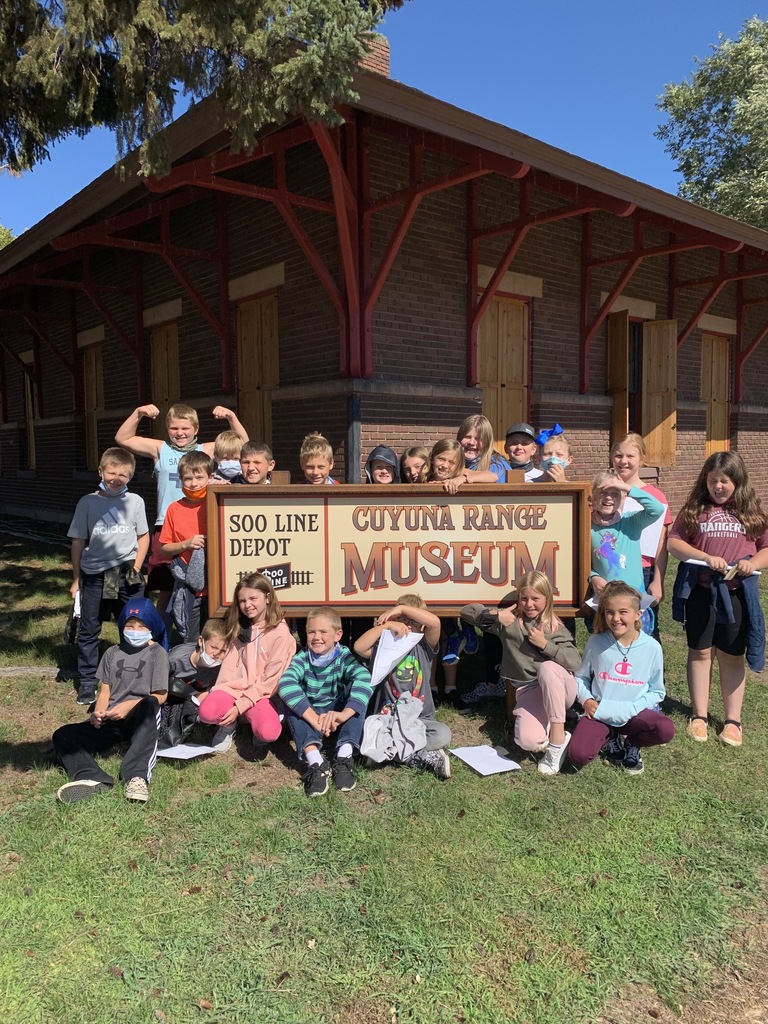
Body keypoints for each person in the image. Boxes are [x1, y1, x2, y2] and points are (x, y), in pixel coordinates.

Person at [668, 451, 768, 747]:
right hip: (701, 592)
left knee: (732, 655)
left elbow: (765, 548)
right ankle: (699, 715)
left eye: (725, 481)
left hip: (736, 594)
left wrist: (754, 563)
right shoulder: (695, 509)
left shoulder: (751, 512)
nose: (719, 487)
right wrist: (704, 556)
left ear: (737, 481)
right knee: (700, 652)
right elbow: (674, 543)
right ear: (705, 481)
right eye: (713, 481)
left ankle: (732, 721)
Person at [115, 402, 247, 607]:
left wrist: (231, 417)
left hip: (199, 522)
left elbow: (243, 445)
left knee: (203, 580)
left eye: (185, 428)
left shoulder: (206, 450)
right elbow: (123, 438)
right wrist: (138, 412)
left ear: (196, 429)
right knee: (165, 586)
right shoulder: (161, 449)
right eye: (174, 428)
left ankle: (199, 628)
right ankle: (163, 633)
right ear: (167, 429)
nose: (179, 433)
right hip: (166, 523)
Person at [461, 570, 581, 774]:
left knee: (548, 667)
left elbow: (575, 662)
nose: (529, 604)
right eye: (524, 598)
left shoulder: (554, 625)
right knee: (527, 742)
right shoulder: (510, 623)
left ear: (547, 599)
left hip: (561, 689)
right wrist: (496, 615)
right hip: (529, 690)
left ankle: (557, 741)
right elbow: (466, 612)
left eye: (536, 598)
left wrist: (546, 645)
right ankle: (551, 726)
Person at [53, 598, 169, 803]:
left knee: (149, 704)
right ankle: (91, 778)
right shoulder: (112, 653)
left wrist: (129, 706)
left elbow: (161, 695)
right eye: (130, 625)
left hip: (141, 716)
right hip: (112, 717)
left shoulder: (157, 653)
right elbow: (105, 691)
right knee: (63, 734)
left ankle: (136, 776)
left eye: (142, 626)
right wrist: (98, 712)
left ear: (151, 626)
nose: (135, 630)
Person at [67, 447, 149, 706]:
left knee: (133, 625)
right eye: (111, 473)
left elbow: (143, 536)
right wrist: (76, 578)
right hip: (94, 574)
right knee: (90, 628)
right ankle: (88, 681)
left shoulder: (135, 501)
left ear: (130, 477)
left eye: (122, 475)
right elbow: (78, 541)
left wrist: (136, 566)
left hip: (126, 573)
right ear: (101, 471)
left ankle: (132, 676)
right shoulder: (87, 503)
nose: (116, 479)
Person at [569, 581, 674, 774]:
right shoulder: (596, 642)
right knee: (578, 755)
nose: (616, 618)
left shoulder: (652, 647)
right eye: (610, 612)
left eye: (623, 612)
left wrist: (632, 708)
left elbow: (657, 691)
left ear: (638, 614)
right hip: (599, 711)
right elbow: (581, 677)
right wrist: (587, 700)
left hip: (633, 713)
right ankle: (610, 738)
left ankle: (632, 743)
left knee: (665, 729)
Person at [278, 607, 374, 797]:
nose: (316, 637)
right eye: (311, 632)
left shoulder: (343, 656)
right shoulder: (302, 658)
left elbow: (364, 677)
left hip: (336, 715)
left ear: (338, 635)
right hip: (312, 716)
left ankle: (344, 756)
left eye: (323, 632)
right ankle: (316, 762)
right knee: (292, 703)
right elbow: (286, 683)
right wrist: (314, 719)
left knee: (358, 691)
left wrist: (343, 715)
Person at [354, 594, 452, 779]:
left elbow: (435, 623)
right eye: (401, 620)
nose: (406, 626)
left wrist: (401, 609)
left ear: (421, 627)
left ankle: (387, 753)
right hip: (388, 718)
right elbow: (359, 647)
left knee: (442, 734)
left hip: (419, 719)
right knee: (362, 732)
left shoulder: (424, 646)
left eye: (413, 621)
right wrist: (386, 626)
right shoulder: (385, 646)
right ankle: (420, 756)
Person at [197, 572, 296, 751]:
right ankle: (229, 724)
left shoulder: (280, 633)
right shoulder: (238, 626)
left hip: (262, 695)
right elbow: (228, 669)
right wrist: (218, 691)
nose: (247, 605)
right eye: (242, 600)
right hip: (234, 689)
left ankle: (255, 725)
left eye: (253, 598)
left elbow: (270, 682)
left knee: (269, 732)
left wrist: (240, 706)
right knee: (206, 712)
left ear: (267, 597)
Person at [611, 432, 671, 641]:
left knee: (645, 629)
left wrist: (658, 579)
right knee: (611, 628)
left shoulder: (655, 497)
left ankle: (651, 673)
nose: (623, 461)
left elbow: (661, 543)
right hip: (612, 569)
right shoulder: (604, 492)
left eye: (630, 456)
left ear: (642, 459)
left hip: (643, 572)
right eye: (618, 455)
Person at [159, 451, 215, 641]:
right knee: (191, 639)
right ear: (180, 479)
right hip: (190, 586)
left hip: (217, 585)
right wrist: (186, 544)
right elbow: (164, 547)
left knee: (217, 637)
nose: (194, 483)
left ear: (211, 477)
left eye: (200, 477)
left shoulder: (218, 502)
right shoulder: (174, 509)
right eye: (188, 478)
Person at [589, 470, 664, 611]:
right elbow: (581, 561)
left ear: (623, 498)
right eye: (603, 492)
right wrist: (593, 577)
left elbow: (657, 509)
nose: (609, 498)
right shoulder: (587, 525)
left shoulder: (631, 521)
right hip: (605, 598)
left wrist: (628, 488)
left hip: (634, 595)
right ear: (593, 497)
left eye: (615, 494)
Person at [163, 618, 231, 751]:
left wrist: (207, 694)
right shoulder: (175, 659)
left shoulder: (222, 666)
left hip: (199, 699)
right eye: (213, 647)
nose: (217, 654)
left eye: (223, 651)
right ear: (201, 641)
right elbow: (157, 683)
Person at [456, 414, 510, 483]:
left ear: (487, 443)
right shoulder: (449, 461)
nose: (471, 442)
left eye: (478, 439)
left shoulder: (498, 467)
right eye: (467, 437)